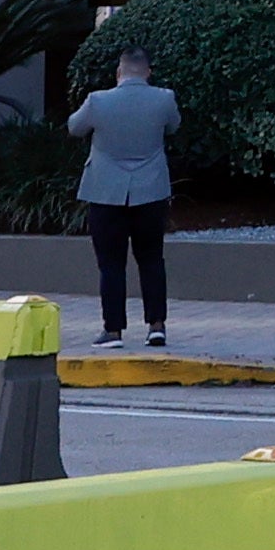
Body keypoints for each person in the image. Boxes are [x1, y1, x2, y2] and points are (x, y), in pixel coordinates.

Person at [71, 45, 181, 350]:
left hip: (106, 192)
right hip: (150, 191)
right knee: (151, 260)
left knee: (110, 264)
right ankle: (156, 327)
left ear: (119, 72)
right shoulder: (164, 98)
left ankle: (113, 331)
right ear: (148, 72)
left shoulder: (98, 101)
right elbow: (174, 126)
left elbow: (74, 127)